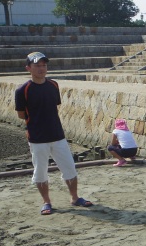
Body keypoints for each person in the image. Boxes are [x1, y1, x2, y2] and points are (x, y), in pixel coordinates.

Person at [14, 52, 93, 215]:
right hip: (37, 138)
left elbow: (55, 106)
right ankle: (46, 202)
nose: (41, 69)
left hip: (57, 135)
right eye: (37, 65)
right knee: (40, 171)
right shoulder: (23, 90)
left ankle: (75, 197)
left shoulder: (53, 85)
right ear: (28, 68)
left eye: (44, 65)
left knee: (69, 168)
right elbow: (21, 114)